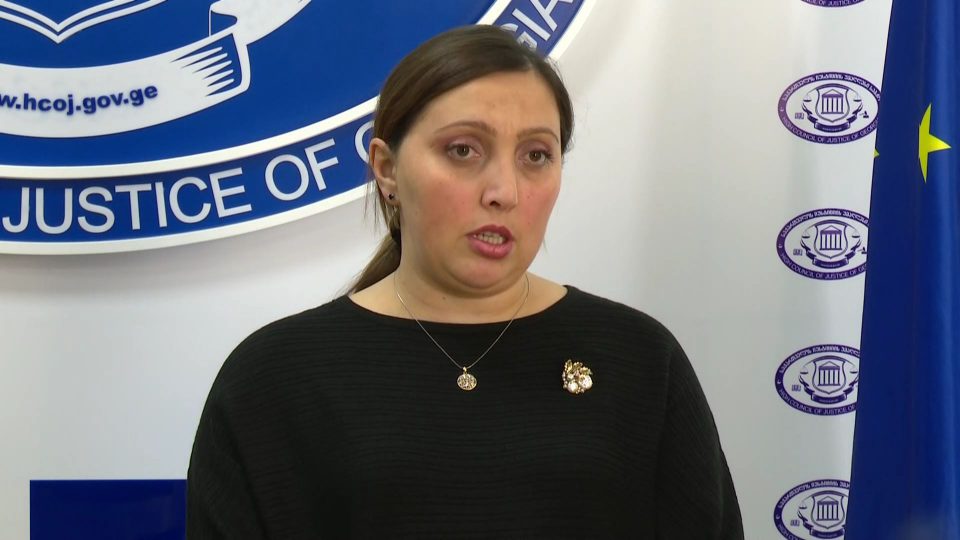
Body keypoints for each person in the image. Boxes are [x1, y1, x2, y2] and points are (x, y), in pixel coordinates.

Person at [187, 25, 743, 539]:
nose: (504, 191)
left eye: (536, 155)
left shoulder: (639, 360)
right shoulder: (273, 378)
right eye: (463, 150)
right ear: (386, 169)